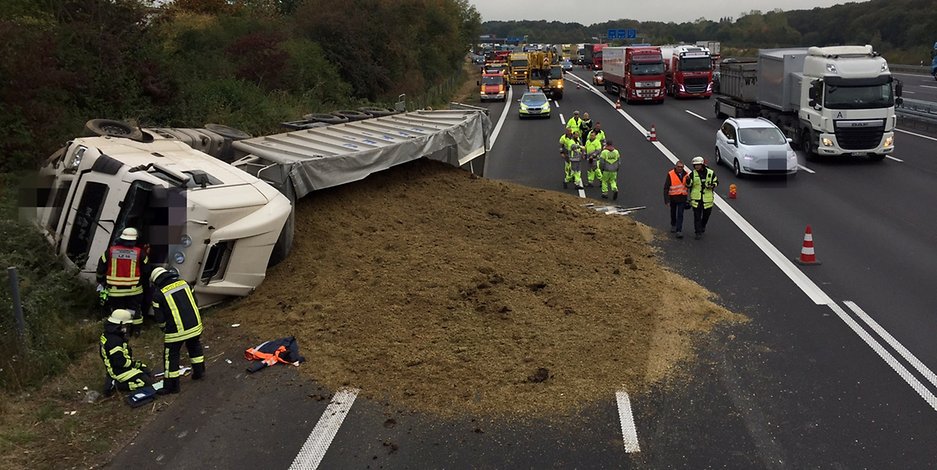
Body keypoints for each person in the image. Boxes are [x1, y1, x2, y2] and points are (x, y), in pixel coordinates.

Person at [150, 267, 205, 394]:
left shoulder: (158, 295)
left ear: (156, 281)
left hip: (175, 332)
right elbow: (195, 302)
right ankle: (199, 372)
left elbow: (160, 318)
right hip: (195, 325)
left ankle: (172, 386)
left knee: (171, 356)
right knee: (195, 346)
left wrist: (164, 328)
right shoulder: (185, 283)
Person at [96, 227, 150, 335]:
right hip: (134, 291)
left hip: (115, 291)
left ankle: (119, 330)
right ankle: (135, 332)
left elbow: (101, 267)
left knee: (117, 311)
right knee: (134, 310)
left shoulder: (110, 251)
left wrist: (100, 281)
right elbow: (147, 270)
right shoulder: (140, 253)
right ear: (135, 240)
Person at [100, 309, 153, 395]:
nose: (127, 327)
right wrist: (135, 364)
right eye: (126, 325)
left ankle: (113, 380)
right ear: (119, 324)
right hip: (119, 371)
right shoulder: (114, 341)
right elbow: (120, 362)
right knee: (145, 383)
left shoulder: (110, 334)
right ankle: (116, 385)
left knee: (147, 372)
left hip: (119, 367)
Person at [685, 156, 719, 240]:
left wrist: (712, 185)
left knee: (706, 215)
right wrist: (688, 181)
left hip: (707, 199)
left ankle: (703, 225)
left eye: (698, 165)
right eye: (695, 165)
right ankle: (698, 232)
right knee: (697, 216)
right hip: (696, 199)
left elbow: (716, 181)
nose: (696, 166)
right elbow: (688, 186)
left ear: (702, 164)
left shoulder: (710, 173)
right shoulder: (692, 174)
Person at [663, 160, 689, 238]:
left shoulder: (686, 174)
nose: (680, 168)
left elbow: (689, 185)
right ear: (675, 167)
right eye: (678, 167)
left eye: (681, 167)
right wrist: (667, 200)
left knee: (680, 214)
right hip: (673, 198)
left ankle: (679, 230)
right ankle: (673, 224)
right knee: (673, 212)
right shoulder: (671, 174)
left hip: (682, 198)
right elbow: (666, 187)